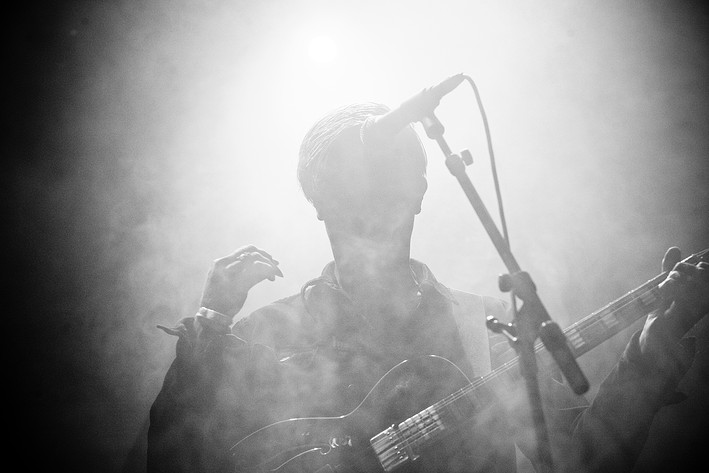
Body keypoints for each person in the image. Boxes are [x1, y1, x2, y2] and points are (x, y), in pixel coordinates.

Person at [147, 102, 709, 473]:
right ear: (317, 203)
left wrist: (651, 351)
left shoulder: (489, 327)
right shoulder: (265, 334)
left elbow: (581, 460)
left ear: (420, 186)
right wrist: (211, 323)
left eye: (391, 171)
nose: (372, 190)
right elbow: (175, 459)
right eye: (349, 179)